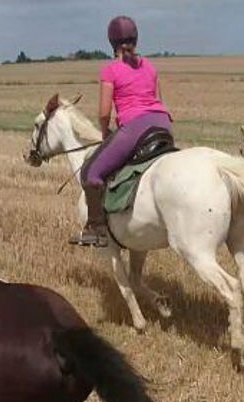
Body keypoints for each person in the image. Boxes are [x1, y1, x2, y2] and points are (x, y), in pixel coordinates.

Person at [72, 15, 173, 248]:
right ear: (136, 39)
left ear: (111, 42)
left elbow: (104, 112)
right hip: (164, 124)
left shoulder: (111, 70)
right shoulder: (150, 66)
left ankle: (96, 229)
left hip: (135, 127)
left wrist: (106, 133)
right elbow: (158, 100)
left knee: (90, 172)